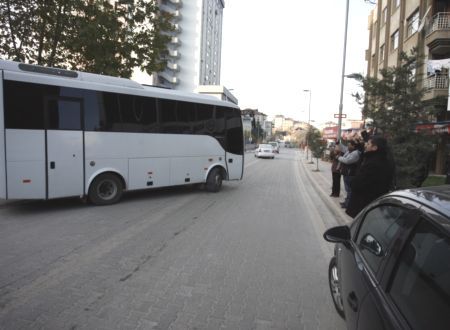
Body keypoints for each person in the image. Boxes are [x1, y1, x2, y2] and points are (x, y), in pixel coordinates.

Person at [346, 136, 394, 218]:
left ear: (374, 148)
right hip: (374, 202)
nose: (365, 145)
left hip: (364, 202)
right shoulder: (385, 160)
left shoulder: (372, 163)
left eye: (368, 144)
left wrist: (352, 182)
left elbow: (359, 183)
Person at [338, 140, 360, 208]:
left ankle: (348, 204)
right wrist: (338, 143)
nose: (348, 146)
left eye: (349, 145)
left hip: (350, 174)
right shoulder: (349, 151)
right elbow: (343, 148)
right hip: (346, 173)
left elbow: (347, 161)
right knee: (347, 190)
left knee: (349, 190)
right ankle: (346, 202)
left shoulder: (355, 153)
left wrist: (339, 157)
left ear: (353, 146)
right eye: (348, 145)